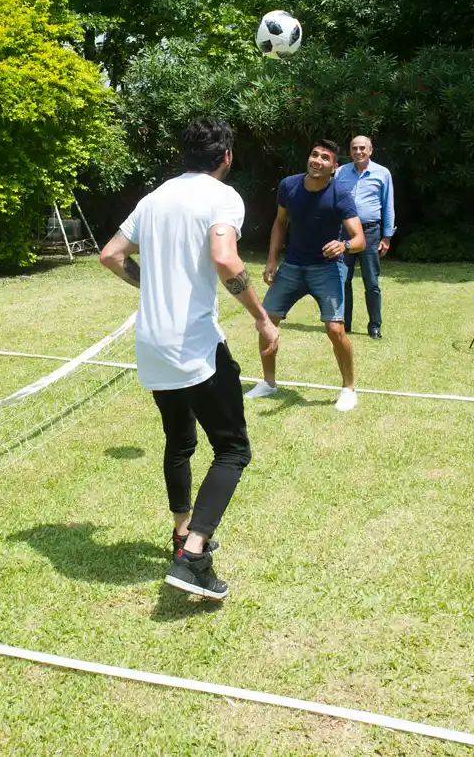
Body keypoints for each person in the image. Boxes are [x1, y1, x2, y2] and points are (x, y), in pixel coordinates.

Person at [99, 117, 279, 601]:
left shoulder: (153, 199)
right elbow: (225, 259)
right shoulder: (222, 197)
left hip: (152, 342)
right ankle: (193, 555)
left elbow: (111, 254)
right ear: (226, 156)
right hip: (195, 344)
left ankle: (182, 530)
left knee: (179, 439)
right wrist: (262, 318)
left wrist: (151, 286)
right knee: (232, 448)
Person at [245, 140, 366, 411]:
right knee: (266, 321)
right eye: (314, 154)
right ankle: (268, 382)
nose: (317, 160)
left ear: (333, 168)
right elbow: (280, 222)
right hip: (293, 266)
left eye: (325, 158)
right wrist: (272, 259)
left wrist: (344, 245)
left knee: (335, 329)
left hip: (327, 268)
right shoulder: (289, 186)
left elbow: (359, 239)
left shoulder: (340, 194)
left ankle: (349, 389)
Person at [333, 135, 395, 339]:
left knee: (372, 282)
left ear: (370, 150)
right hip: (345, 233)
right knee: (343, 280)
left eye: (362, 148)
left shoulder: (382, 173)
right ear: (350, 151)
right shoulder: (341, 172)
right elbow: (332, 201)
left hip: (370, 233)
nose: (358, 151)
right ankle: (345, 324)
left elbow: (388, 206)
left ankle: (374, 326)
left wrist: (386, 237)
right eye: (354, 148)